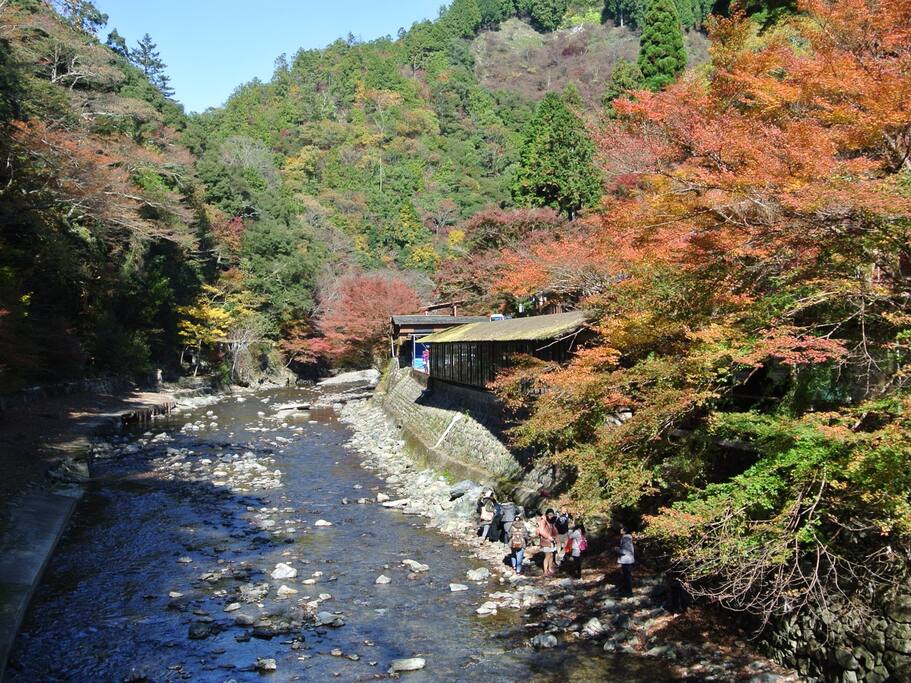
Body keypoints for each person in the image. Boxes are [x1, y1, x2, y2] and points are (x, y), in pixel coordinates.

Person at [537, 509, 558, 577]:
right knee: (547, 556)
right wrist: (548, 537)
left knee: (551, 555)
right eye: (549, 515)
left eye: (552, 515)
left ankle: (550, 568)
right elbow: (541, 531)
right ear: (547, 514)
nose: (550, 516)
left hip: (551, 541)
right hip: (545, 541)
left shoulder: (551, 521)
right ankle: (545, 571)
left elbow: (554, 530)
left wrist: (555, 536)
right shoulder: (543, 521)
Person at [615, 524, 635, 596]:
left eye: (622, 529)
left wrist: (616, 549)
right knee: (626, 576)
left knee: (627, 577)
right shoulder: (627, 538)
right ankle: (626, 590)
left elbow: (625, 551)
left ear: (624, 531)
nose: (620, 530)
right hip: (628, 559)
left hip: (627, 560)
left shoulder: (626, 538)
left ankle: (629, 592)